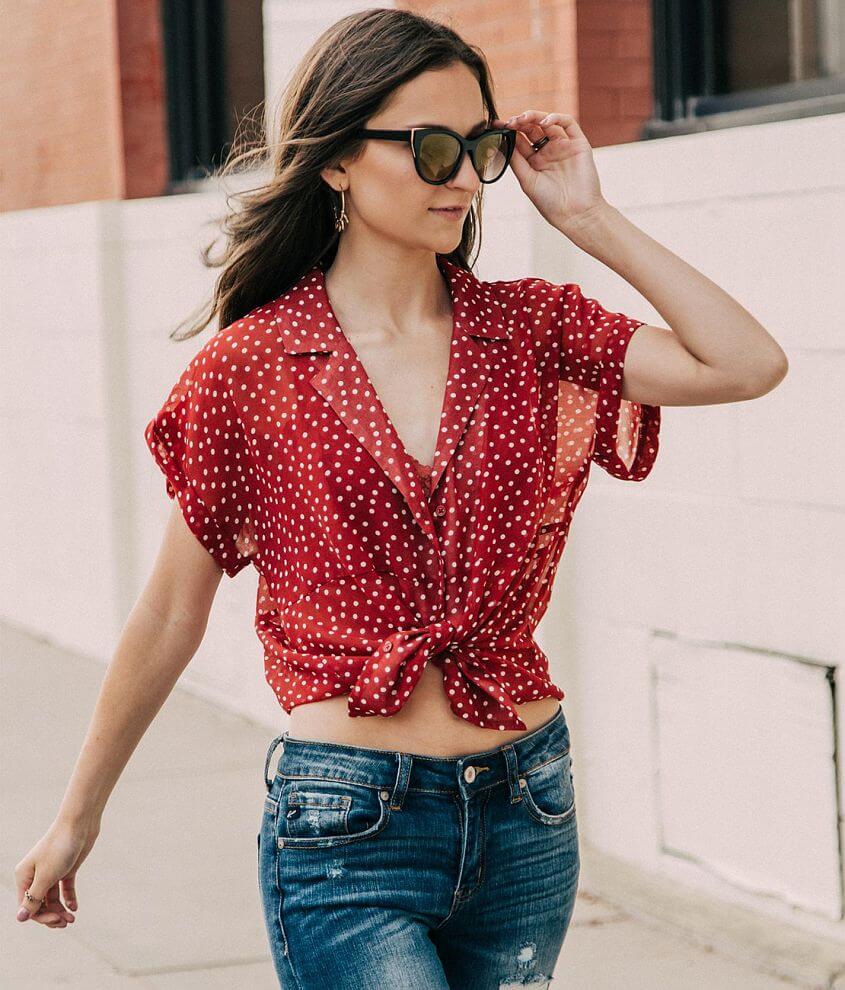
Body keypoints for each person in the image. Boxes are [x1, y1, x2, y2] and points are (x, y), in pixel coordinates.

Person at [13, 8, 788, 988]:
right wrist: (78, 813)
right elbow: (172, 607)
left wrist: (587, 219)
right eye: (430, 148)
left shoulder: (533, 329)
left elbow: (745, 362)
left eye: (482, 146)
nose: (463, 177)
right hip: (346, 823)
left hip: (525, 805)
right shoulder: (252, 367)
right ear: (335, 159)